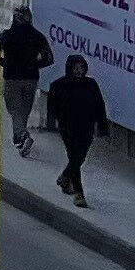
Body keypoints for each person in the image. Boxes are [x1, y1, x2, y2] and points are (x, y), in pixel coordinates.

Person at [47, 52, 109, 205]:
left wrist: (102, 125)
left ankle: (65, 177)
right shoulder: (59, 85)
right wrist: (53, 122)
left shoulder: (91, 84)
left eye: (81, 68)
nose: (79, 71)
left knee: (80, 157)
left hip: (86, 126)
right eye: (75, 68)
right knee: (74, 156)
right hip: (68, 127)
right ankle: (79, 193)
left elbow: (99, 105)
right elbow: (52, 107)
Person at [0, 7, 51, 156]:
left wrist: (5, 63)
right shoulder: (37, 36)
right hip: (31, 78)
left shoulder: (6, 36)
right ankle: (20, 140)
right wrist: (34, 65)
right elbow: (48, 57)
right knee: (24, 111)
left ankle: (22, 135)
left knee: (14, 110)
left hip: (12, 78)